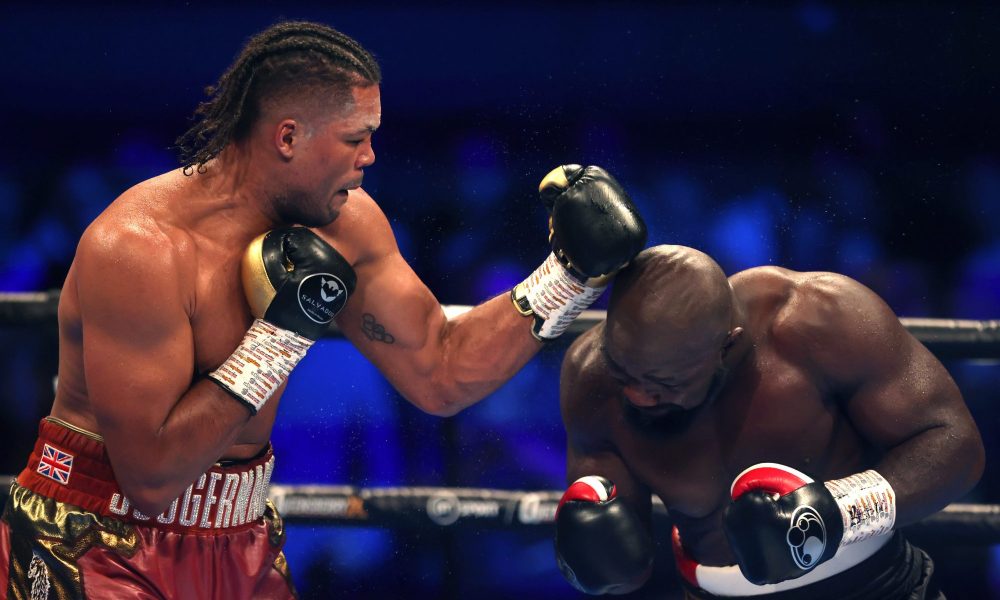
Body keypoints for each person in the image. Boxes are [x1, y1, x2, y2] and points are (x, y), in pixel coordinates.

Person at [0, 20, 647, 599]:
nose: (370, 157)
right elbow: (150, 477)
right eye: (355, 138)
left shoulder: (345, 223)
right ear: (288, 138)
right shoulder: (140, 249)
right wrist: (278, 335)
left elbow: (442, 372)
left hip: (238, 541)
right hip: (101, 540)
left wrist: (568, 276)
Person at [554, 245, 984, 599]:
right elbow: (622, 563)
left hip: (871, 587)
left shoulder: (822, 321)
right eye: (623, 371)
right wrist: (594, 556)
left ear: (726, 347)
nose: (636, 394)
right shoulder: (592, 376)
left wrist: (838, 512)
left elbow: (956, 445)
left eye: (661, 382)